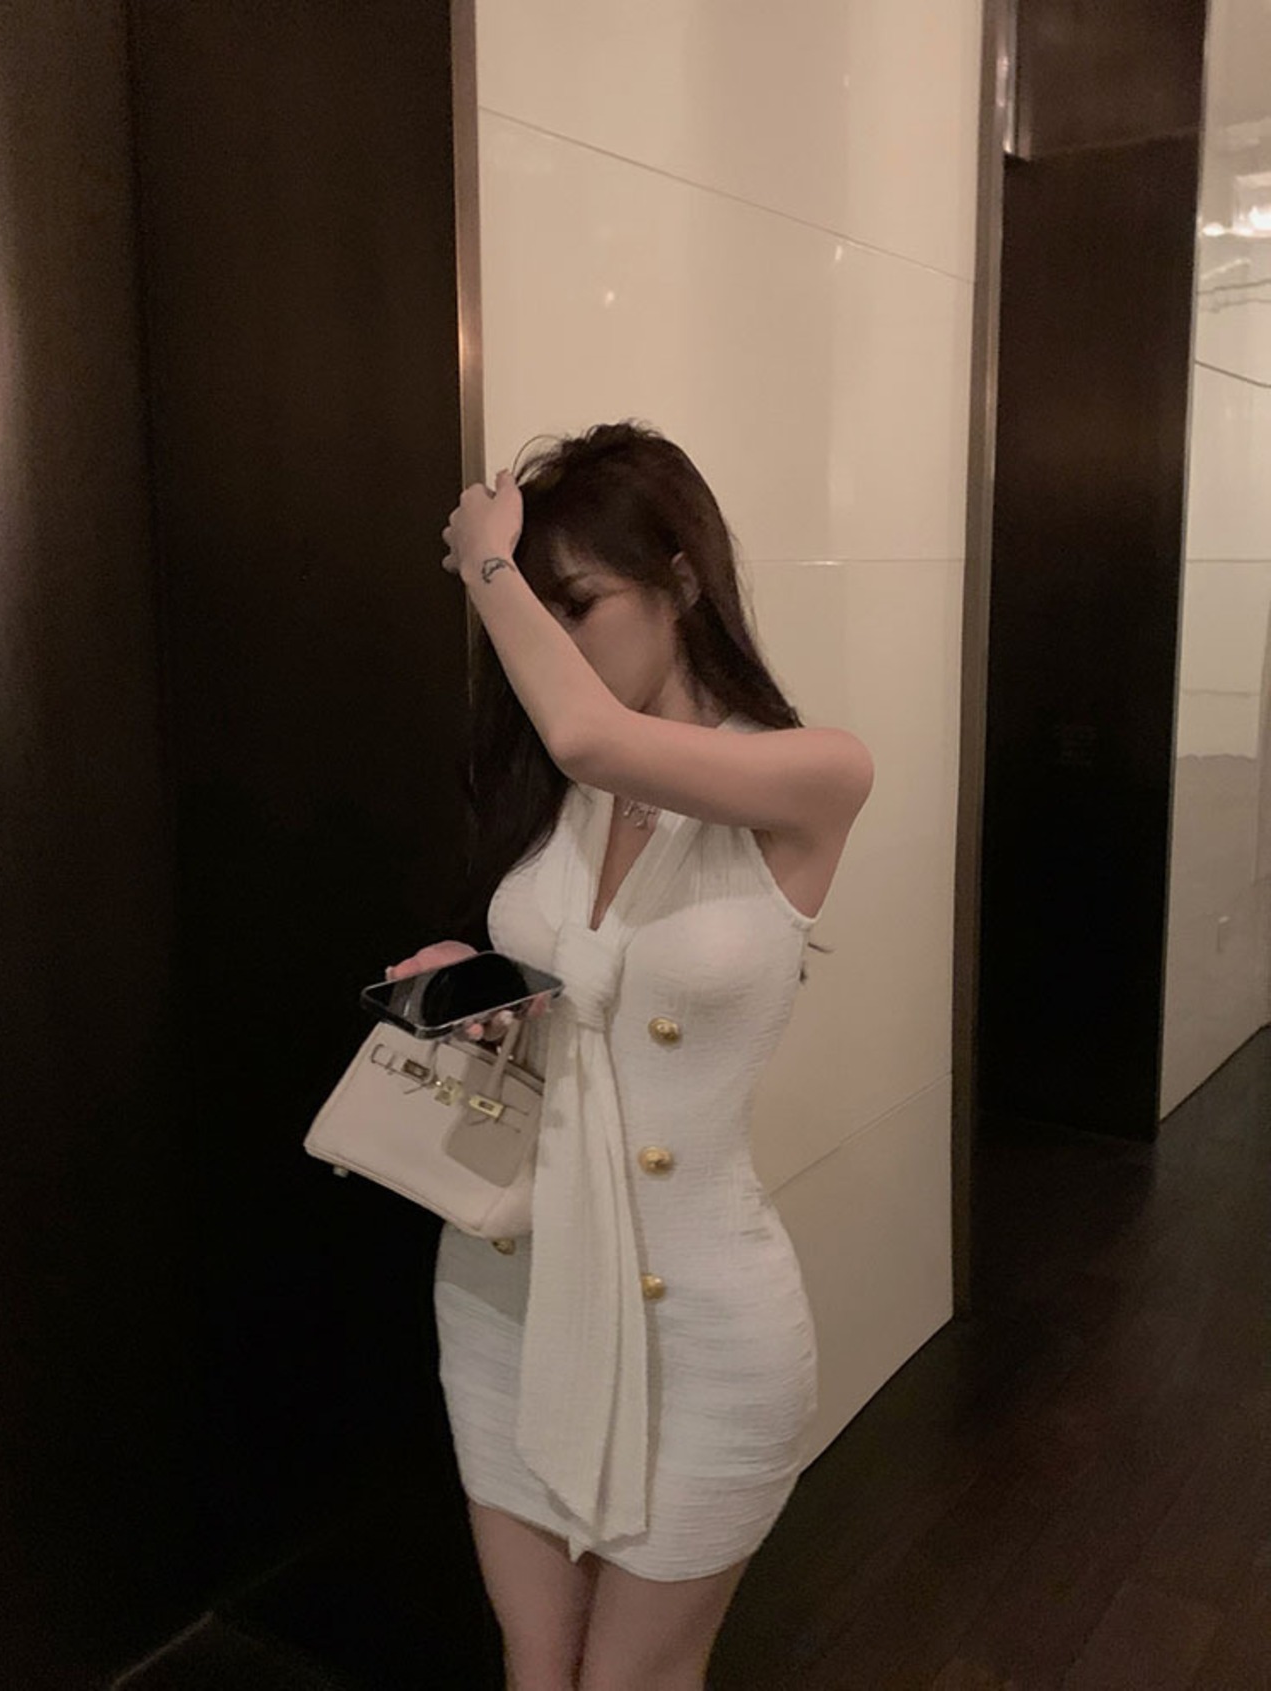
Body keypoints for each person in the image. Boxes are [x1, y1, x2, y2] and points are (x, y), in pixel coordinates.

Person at [387, 421, 873, 1691]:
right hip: (506, 1289)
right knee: (535, 1663)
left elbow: (588, 735)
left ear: (682, 581)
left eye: (579, 602)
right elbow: (576, 999)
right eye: (537, 606)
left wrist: (487, 560)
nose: (553, 638)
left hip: (700, 1325)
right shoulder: (560, 797)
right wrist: (477, 983)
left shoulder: (812, 773)